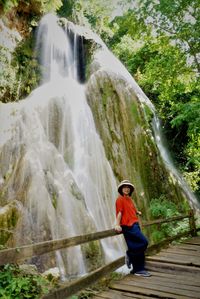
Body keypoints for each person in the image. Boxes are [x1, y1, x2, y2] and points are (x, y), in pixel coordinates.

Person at [115, 179, 151, 277]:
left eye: (128, 188)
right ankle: (131, 256)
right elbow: (120, 212)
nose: (126, 189)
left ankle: (138, 269)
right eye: (124, 187)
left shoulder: (129, 199)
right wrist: (117, 224)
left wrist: (137, 212)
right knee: (143, 242)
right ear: (121, 189)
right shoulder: (119, 199)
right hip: (128, 226)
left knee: (137, 247)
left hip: (135, 224)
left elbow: (131, 210)